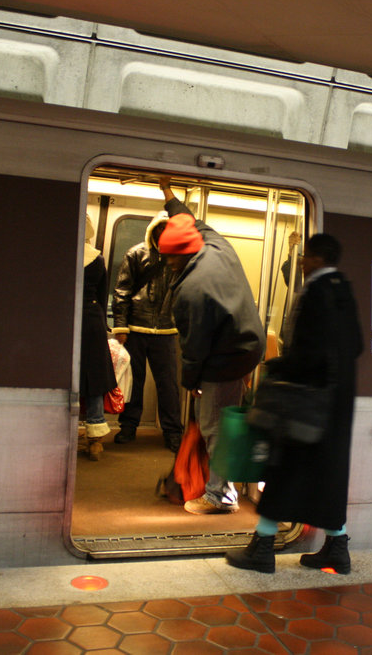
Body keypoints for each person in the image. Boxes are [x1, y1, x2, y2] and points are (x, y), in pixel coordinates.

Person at [225, 233, 363, 574]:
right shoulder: (344, 290)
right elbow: (356, 345)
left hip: (305, 405)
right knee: (327, 478)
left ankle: (262, 548)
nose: (301, 264)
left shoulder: (316, 292)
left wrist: (277, 365)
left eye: (304, 258)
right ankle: (337, 549)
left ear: (315, 259)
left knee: (284, 471)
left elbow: (310, 354)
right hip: (336, 407)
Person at [157, 178, 264, 515]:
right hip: (245, 342)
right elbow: (188, 218)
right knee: (216, 419)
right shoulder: (212, 242)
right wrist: (168, 195)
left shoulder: (193, 289)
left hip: (228, 356)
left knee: (214, 425)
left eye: (170, 260)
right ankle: (217, 485)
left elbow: (194, 347)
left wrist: (192, 383)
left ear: (182, 254)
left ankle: (221, 496)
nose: (168, 265)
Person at [111, 211, 185, 453]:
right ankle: (129, 426)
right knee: (135, 381)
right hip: (136, 327)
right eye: (160, 229)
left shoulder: (181, 257)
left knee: (168, 384)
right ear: (153, 231)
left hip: (166, 328)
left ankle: (173, 431)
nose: (164, 234)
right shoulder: (136, 253)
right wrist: (120, 326)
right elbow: (122, 290)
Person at [81, 215, 118, 461]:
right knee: (93, 377)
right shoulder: (97, 258)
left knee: (66, 376)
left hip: (66, 318)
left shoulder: (61, 252)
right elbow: (103, 295)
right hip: (92, 319)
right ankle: (95, 439)